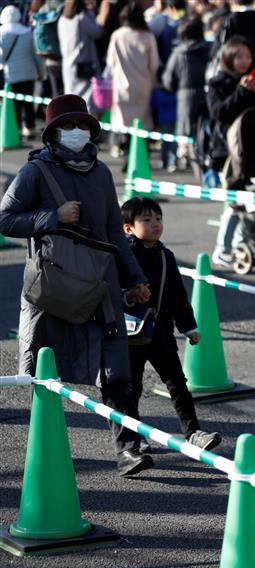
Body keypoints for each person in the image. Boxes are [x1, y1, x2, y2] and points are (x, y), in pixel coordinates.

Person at [0, 94, 153, 476]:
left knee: (116, 371)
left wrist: (135, 279)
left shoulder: (101, 172)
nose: (76, 132)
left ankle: (128, 449)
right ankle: (46, 450)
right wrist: (53, 217)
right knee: (43, 371)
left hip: (100, 284)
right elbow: (5, 219)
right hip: (52, 287)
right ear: (52, 133)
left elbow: (114, 234)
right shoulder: (36, 171)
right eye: (68, 126)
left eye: (83, 125)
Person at [120, 197, 223, 453]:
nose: (155, 224)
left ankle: (193, 432)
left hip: (161, 331)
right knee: (132, 387)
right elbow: (110, 290)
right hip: (132, 332)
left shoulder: (166, 255)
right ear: (128, 228)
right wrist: (129, 296)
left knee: (177, 382)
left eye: (158, 218)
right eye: (146, 220)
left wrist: (189, 327)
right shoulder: (124, 256)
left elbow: (178, 296)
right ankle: (133, 438)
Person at [206, 36, 255, 266]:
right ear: (228, 57)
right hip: (227, 151)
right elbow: (219, 113)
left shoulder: (253, 82)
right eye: (239, 56)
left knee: (248, 200)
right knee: (235, 201)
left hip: (251, 150)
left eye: (248, 56)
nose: (244, 61)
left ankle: (239, 245)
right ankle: (222, 248)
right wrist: (243, 92)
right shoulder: (217, 83)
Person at [106, 2, 160, 149]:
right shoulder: (148, 36)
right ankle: (140, 151)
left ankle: (123, 149)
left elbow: (110, 62)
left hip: (122, 84)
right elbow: (154, 64)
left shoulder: (117, 35)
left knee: (123, 121)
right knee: (141, 121)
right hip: (143, 84)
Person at [162, 16, 210, 172]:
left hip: (185, 96)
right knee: (205, 129)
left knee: (186, 132)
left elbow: (168, 80)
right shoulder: (209, 49)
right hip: (207, 94)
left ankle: (188, 160)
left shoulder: (178, 53)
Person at [0, 5, 45, 139]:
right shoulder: (27, 32)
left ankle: (17, 128)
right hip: (29, 73)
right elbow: (36, 55)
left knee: (14, 104)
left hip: (10, 75)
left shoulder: (2, 33)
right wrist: (41, 72)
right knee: (28, 102)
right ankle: (30, 128)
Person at [58, 0, 108, 111]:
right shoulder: (81, 19)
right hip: (85, 65)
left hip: (68, 65)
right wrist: (93, 13)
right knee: (86, 101)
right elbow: (97, 32)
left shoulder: (62, 20)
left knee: (71, 98)